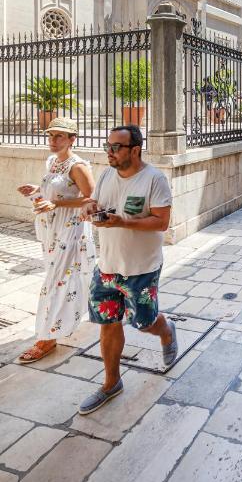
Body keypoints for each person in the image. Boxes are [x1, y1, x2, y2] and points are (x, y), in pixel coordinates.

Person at [78, 124, 177, 415]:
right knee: (108, 325)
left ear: (135, 150)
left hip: (141, 269)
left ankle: (166, 330)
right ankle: (111, 383)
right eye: (107, 145)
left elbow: (161, 222)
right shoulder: (108, 173)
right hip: (107, 266)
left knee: (144, 322)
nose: (109, 151)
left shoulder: (154, 179)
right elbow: (98, 202)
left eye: (116, 147)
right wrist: (89, 207)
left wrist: (122, 222)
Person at [16, 117, 96, 363]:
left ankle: (47, 338)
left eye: (59, 136)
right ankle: (72, 317)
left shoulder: (78, 166)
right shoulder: (51, 161)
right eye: (51, 135)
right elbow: (54, 189)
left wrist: (56, 203)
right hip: (52, 229)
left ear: (73, 139)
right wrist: (38, 191)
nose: (53, 140)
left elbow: (91, 199)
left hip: (70, 229)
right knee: (60, 278)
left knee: (56, 281)